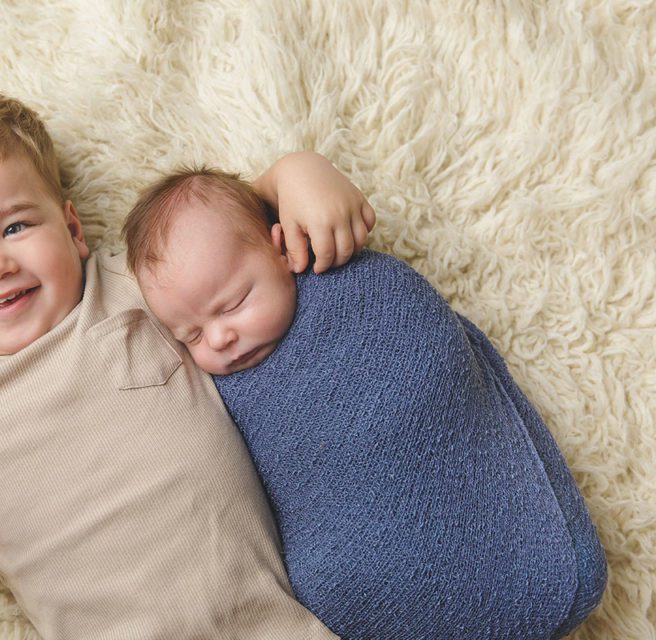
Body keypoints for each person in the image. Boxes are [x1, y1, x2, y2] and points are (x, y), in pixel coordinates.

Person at [0, 92, 377, 639]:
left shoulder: (132, 282)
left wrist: (294, 173)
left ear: (73, 230)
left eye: (16, 226)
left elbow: (226, 226)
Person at [123, 166, 608, 640]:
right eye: (191, 335)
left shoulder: (346, 283)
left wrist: (296, 171)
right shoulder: (220, 390)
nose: (220, 338)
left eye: (233, 304)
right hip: (352, 558)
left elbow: (429, 369)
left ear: (280, 247)